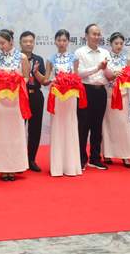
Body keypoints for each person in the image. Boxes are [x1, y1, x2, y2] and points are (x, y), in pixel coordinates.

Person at [0, 29, 31, 181]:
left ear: (11, 41)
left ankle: (14, 167)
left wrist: (15, 82)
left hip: (16, 98)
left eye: (3, 43)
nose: (1, 46)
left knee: (15, 132)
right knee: (2, 132)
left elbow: (26, 77)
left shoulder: (22, 57)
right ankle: (2, 168)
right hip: (1, 100)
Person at [44, 29, 82, 177]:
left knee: (70, 126)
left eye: (64, 40)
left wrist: (70, 81)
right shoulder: (50, 59)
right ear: (55, 41)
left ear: (68, 42)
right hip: (57, 96)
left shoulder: (74, 58)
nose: (61, 43)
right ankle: (57, 167)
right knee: (58, 127)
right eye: (59, 40)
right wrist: (52, 80)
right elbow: (46, 79)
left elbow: (77, 77)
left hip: (71, 96)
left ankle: (71, 166)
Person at [102, 32, 130, 168]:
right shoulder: (105, 58)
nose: (119, 46)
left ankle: (126, 155)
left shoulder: (127, 59)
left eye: (121, 43)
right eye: (116, 43)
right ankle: (107, 154)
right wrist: (113, 75)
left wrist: (124, 77)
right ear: (111, 44)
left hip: (123, 95)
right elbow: (103, 75)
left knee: (124, 124)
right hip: (108, 94)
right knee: (107, 124)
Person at [75, 24, 109, 170]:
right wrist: (97, 68)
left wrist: (113, 73)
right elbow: (79, 73)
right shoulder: (79, 52)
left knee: (97, 126)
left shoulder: (105, 52)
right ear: (86, 36)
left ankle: (95, 158)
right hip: (85, 91)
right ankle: (81, 159)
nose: (96, 37)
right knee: (83, 126)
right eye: (93, 34)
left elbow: (108, 74)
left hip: (101, 91)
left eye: (98, 34)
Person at [20, 31, 46, 172]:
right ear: (20, 43)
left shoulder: (38, 59)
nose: (28, 44)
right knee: (19, 128)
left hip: (36, 96)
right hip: (21, 96)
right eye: (25, 41)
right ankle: (19, 160)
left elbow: (43, 81)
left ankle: (31, 159)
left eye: (31, 41)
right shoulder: (16, 58)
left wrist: (36, 72)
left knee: (35, 129)